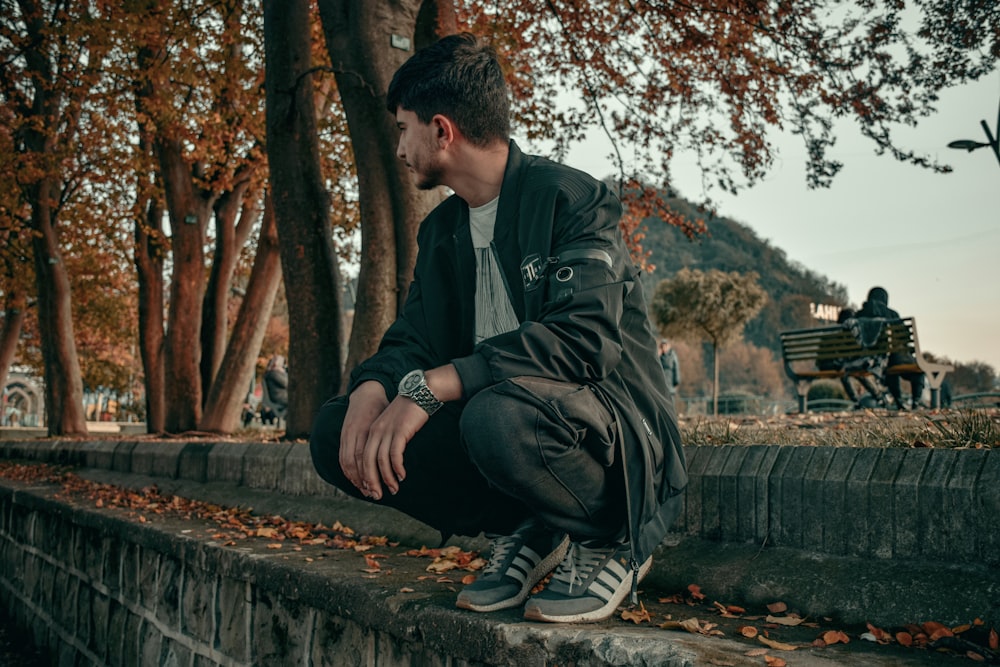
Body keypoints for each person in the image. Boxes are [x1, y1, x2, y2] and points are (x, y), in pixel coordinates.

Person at [309, 33, 687, 625]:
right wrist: (374, 389)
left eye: (403, 128)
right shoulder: (441, 234)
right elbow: (415, 335)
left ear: (442, 130)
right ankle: (529, 528)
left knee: (495, 413)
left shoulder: (571, 199)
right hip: (509, 428)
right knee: (337, 430)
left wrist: (433, 386)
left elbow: (582, 338)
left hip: (610, 434)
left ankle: (611, 535)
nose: (400, 147)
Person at [856, 287, 925, 410]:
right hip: (890, 359)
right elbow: (905, 338)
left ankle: (899, 401)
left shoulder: (858, 315)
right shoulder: (892, 314)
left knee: (891, 371)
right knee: (918, 371)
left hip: (866, 360)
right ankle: (916, 403)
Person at [819, 307, 884, 408]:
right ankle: (879, 397)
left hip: (828, 365)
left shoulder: (832, 332)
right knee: (857, 373)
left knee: (846, 373)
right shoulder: (852, 332)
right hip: (844, 364)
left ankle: (856, 401)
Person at [262, 355, 288, 424]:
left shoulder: (269, 373)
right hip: (279, 398)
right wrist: (283, 373)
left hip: (277, 397)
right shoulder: (274, 373)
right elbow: (287, 384)